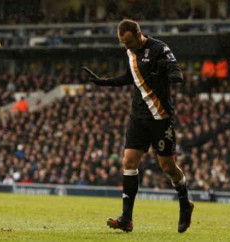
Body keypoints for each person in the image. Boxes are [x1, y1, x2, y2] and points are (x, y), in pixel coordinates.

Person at [82, 19, 194, 233]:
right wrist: (103, 82)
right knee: (129, 161)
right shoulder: (130, 52)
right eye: (122, 42)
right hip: (138, 117)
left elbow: (177, 74)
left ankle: (185, 205)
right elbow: (130, 77)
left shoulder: (160, 48)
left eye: (128, 41)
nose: (126, 46)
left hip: (160, 117)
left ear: (138, 33)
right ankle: (126, 219)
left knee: (167, 167)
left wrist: (164, 71)